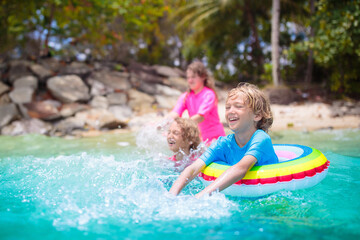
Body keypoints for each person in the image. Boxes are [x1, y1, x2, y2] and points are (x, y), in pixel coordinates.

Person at [169, 82, 279, 198]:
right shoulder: (223, 143)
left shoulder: (261, 138)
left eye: (238, 106)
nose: (230, 111)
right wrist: (171, 196)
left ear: (257, 115)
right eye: (227, 107)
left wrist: (199, 197)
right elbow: (193, 168)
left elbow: (241, 169)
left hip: (268, 197)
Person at [168, 61, 225, 144]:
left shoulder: (209, 94)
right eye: (188, 77)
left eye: (193, 77)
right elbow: (174, 114)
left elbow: (200, 117)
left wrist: (181, 126)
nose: (190, 80)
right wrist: (160, 124)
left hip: (215, 140)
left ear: (203, 77)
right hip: (199, 140)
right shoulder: (186, 96)